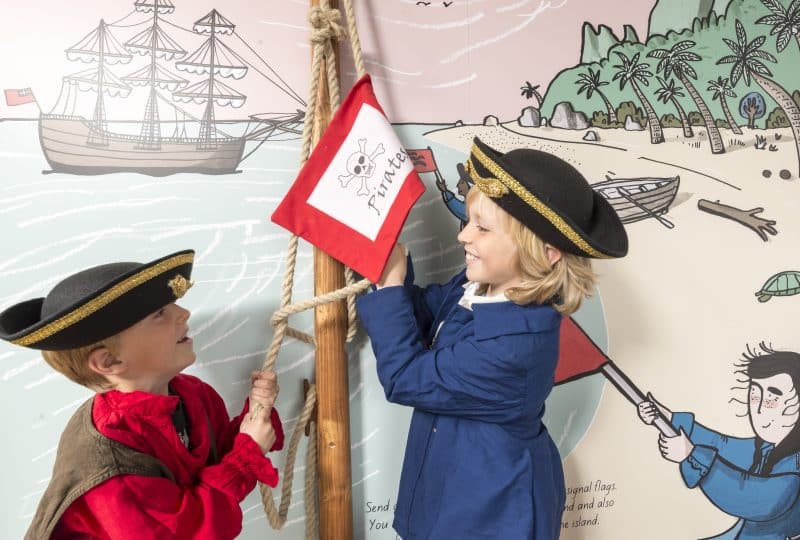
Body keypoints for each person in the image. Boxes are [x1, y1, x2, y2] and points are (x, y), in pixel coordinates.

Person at [356, 137, 628, 539]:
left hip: (491, 509)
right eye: (469, 222)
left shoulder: (517, 344)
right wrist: (392, 275)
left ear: (547, 252)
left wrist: (392, 286)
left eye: (482, 228)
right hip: (449, 485)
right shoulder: (481, 287)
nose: (464, 237)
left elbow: (405, 379)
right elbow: (427, 311)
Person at [0, 249, 284, 539]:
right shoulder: (112, 462)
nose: (183, 313)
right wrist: (248, 453)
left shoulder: (193, 394)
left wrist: (253, 420)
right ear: (109, 362)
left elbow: (218, 464)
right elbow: (190, 530)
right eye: (159, 313)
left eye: (172, 303)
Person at [638, 343, 800, 539]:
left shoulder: (795, 465)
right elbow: (724, 445)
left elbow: (756, 498)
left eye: (772, 399)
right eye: (755, 395)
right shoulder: (766, 447)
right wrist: (670, 419)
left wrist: (691, 455)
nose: (758, 410)